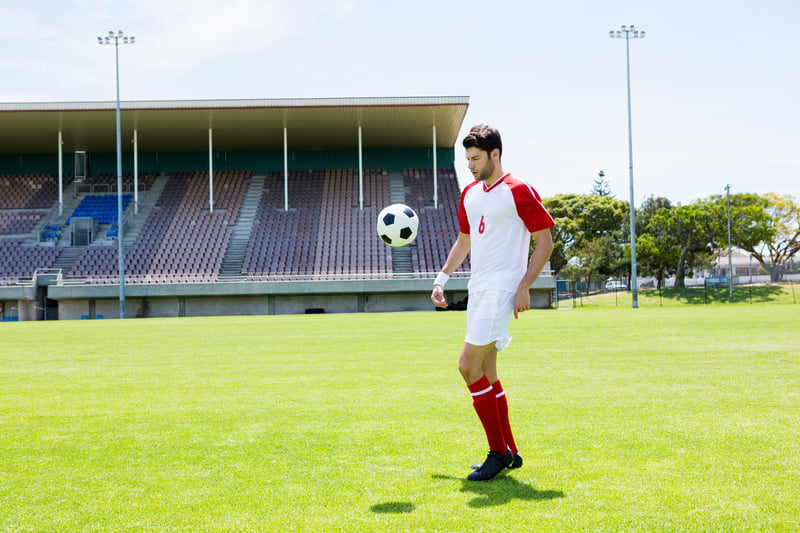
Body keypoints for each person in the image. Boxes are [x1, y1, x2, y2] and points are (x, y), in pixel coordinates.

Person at [431, 124, 554, 481]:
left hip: (503, 290)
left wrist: (524, 286)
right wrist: (441, 279)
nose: (469, 165)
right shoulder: (469, 193)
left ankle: (497, 452)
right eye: (466, 158)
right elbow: (464, 241)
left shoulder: (519, 190)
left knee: (467, 365)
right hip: (479, 287)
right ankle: (510, 451)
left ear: (495, 155)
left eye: (475, 158)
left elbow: (545, 241)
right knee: (486, 372)